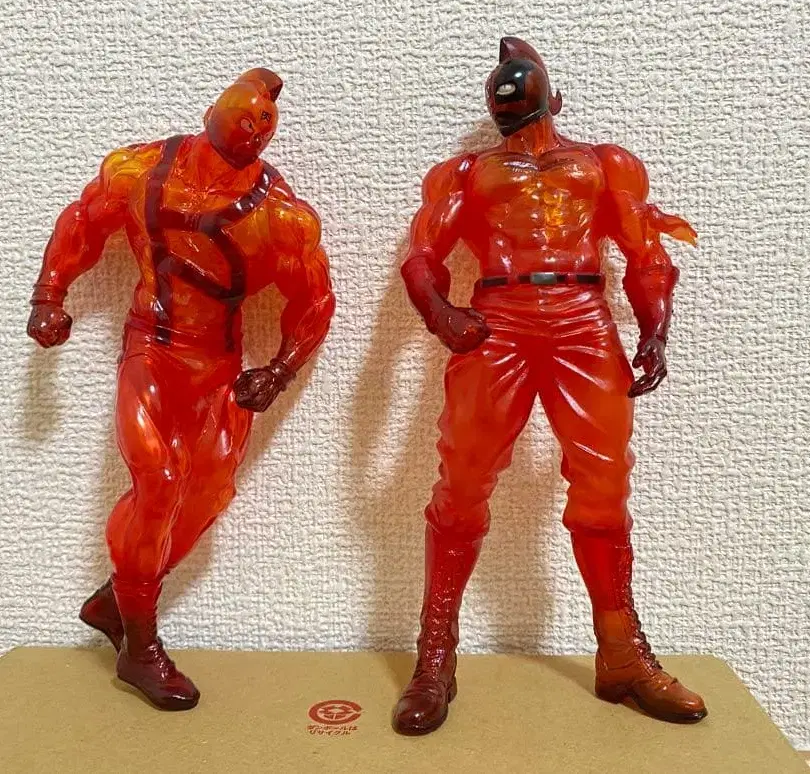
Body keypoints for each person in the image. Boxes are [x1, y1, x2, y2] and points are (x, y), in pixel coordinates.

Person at [393, 37, 705, 735]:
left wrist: (655, 328)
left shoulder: (603, 164)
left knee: (603, 485)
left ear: (554, 97)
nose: (512, 86)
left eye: (525, 79)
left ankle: (621, 654)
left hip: (581, 317)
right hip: (498, 317)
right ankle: (435, 656)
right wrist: (442, 314)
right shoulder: (465, 172)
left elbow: (646, 252)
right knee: (462, 480)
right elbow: (422, 257)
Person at [27, 68, 335, 710]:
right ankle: (140, 649)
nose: (252, 131)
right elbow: (83, 222)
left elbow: (313, 298)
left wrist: (280, 370)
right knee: (158, 479)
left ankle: (116, 601)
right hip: (151, 348)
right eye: (243, 116)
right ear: (212, 112)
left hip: (219, 364)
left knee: (207, 493)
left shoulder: (281, 215)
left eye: (263, 124)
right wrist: (49, 294)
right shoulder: (140, 170)